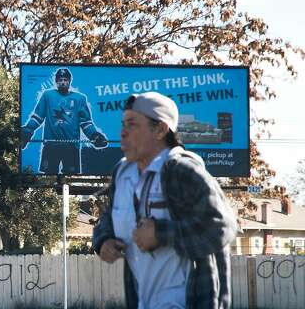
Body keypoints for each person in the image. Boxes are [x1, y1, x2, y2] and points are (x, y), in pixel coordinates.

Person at [92, 92, 237, 309]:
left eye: (132, 125)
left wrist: (161, 233)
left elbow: (221, 227)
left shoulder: (181, 171)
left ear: (160, 129)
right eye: (123, 124)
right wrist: (103, 241)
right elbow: (108, 219)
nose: (122, 133)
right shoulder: (122, 173)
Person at [21, 67, 108, 174]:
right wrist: (28, 129)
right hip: (51, 145)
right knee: (49, 179)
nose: (63, 82)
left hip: (71, 145)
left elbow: (86, 123)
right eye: (60, 80)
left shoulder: (79, 98)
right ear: (56, 82)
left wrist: (94, 135)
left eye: (65, 80)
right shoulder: (47, 95)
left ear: (69, 81)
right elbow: (38, 117)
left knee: (70, 179)